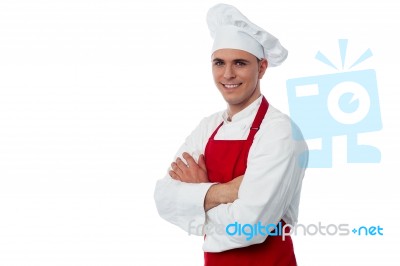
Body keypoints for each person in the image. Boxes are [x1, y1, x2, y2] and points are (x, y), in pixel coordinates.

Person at [154, 3, 308, 266]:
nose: (228, 74)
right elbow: (164, 198)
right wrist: (224, 192)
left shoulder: (280, 131)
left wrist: (196, 202)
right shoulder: (208, 126)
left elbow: (252, 226)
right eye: (219, 63)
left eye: (240, 63)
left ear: (261, 68)